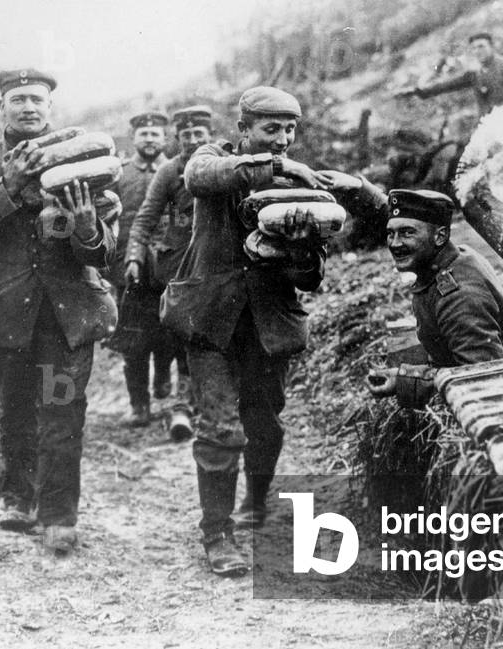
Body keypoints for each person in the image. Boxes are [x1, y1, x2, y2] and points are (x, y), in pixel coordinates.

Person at [162, 86, 387, 576]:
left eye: (289, 130)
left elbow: (310, 278)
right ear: (242, 130)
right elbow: (198, 178)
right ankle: (217, 533)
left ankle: (257, 499)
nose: (283, 139)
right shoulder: (213, 158)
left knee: (264, 423)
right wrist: (278, 168)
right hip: (210, 320)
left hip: (267, 323)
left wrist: (303, 250)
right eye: (271, 129)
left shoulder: (304, 187)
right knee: (220, 428)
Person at [0, 67, 117, 554]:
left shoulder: (81, 157)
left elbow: (106, 246)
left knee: (61, 410)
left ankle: (59, 514)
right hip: (7, 317)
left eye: (37, 100)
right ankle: (18, 498)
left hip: (63, 317)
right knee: (16, 409)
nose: (28, 107)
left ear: (50, 108)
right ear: (2, 107)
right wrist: (7, 185)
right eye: (18, 99)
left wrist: (86, 230)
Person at [366, 190, 503, 408]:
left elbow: (484, 378)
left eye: (407, 233)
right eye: (391, 233)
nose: (395, 244)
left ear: (440, 236)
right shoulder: (452, 259)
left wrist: (405, 379)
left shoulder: (459, 296)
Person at [125, 106, 213, 423]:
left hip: (215, 264)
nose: (192, 140)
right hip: (173, 268)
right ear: (178, 138)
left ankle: (200, 401)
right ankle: (174, 404)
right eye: (186, 135)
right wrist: (134, 256)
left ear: (209, 136)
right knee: (163, 337)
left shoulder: (224, 166)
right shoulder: (169, 172)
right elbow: (143, 219)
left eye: (198, 134)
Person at [112, 111, 170, 426]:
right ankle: (139, 405)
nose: (149, 139)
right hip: (129, 268)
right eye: (143, 134)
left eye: (155, 134)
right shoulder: (119, 174)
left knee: (167, 332)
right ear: (134, 138)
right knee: (133, 341)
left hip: (167, 266)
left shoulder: (176, 172)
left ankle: (163, 377)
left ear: (165, 138)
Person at [395, 33, 503, 117]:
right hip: (487, 125)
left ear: (492, 47)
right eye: (474, 48)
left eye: (481, 46)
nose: (477, 51)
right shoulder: (474, 73)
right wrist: (418, 91)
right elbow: (446, 85)